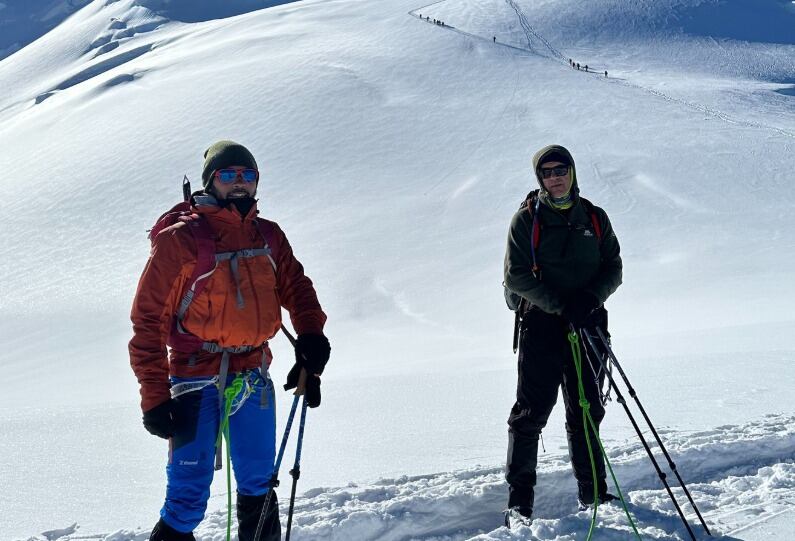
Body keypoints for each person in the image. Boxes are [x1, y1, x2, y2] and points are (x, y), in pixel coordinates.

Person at [130, 140, 330, 541]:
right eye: (228, 174)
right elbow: (147, 321)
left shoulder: (268, 236)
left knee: (260, 485)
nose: (239, 183)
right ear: (210, 182)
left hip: (254, 375)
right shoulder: (181, 241)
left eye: (247, 175)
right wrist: (154, 397)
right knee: (186, 501)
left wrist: (311, 338)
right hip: (193, 382)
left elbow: (297, 287)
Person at [502, 145, 622, 528]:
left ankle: (594, 493)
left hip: (588, 324)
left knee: (586, 410)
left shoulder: (595, 217)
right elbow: (515, 276)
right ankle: (519, 506)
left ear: (572, 172)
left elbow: (614, 266)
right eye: (547, 172)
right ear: (539, 178)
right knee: (530, 415)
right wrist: (558, 304)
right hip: (541, 326)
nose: (554, 177)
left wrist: (589, 299)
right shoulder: (526, 220)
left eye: (561, 169)